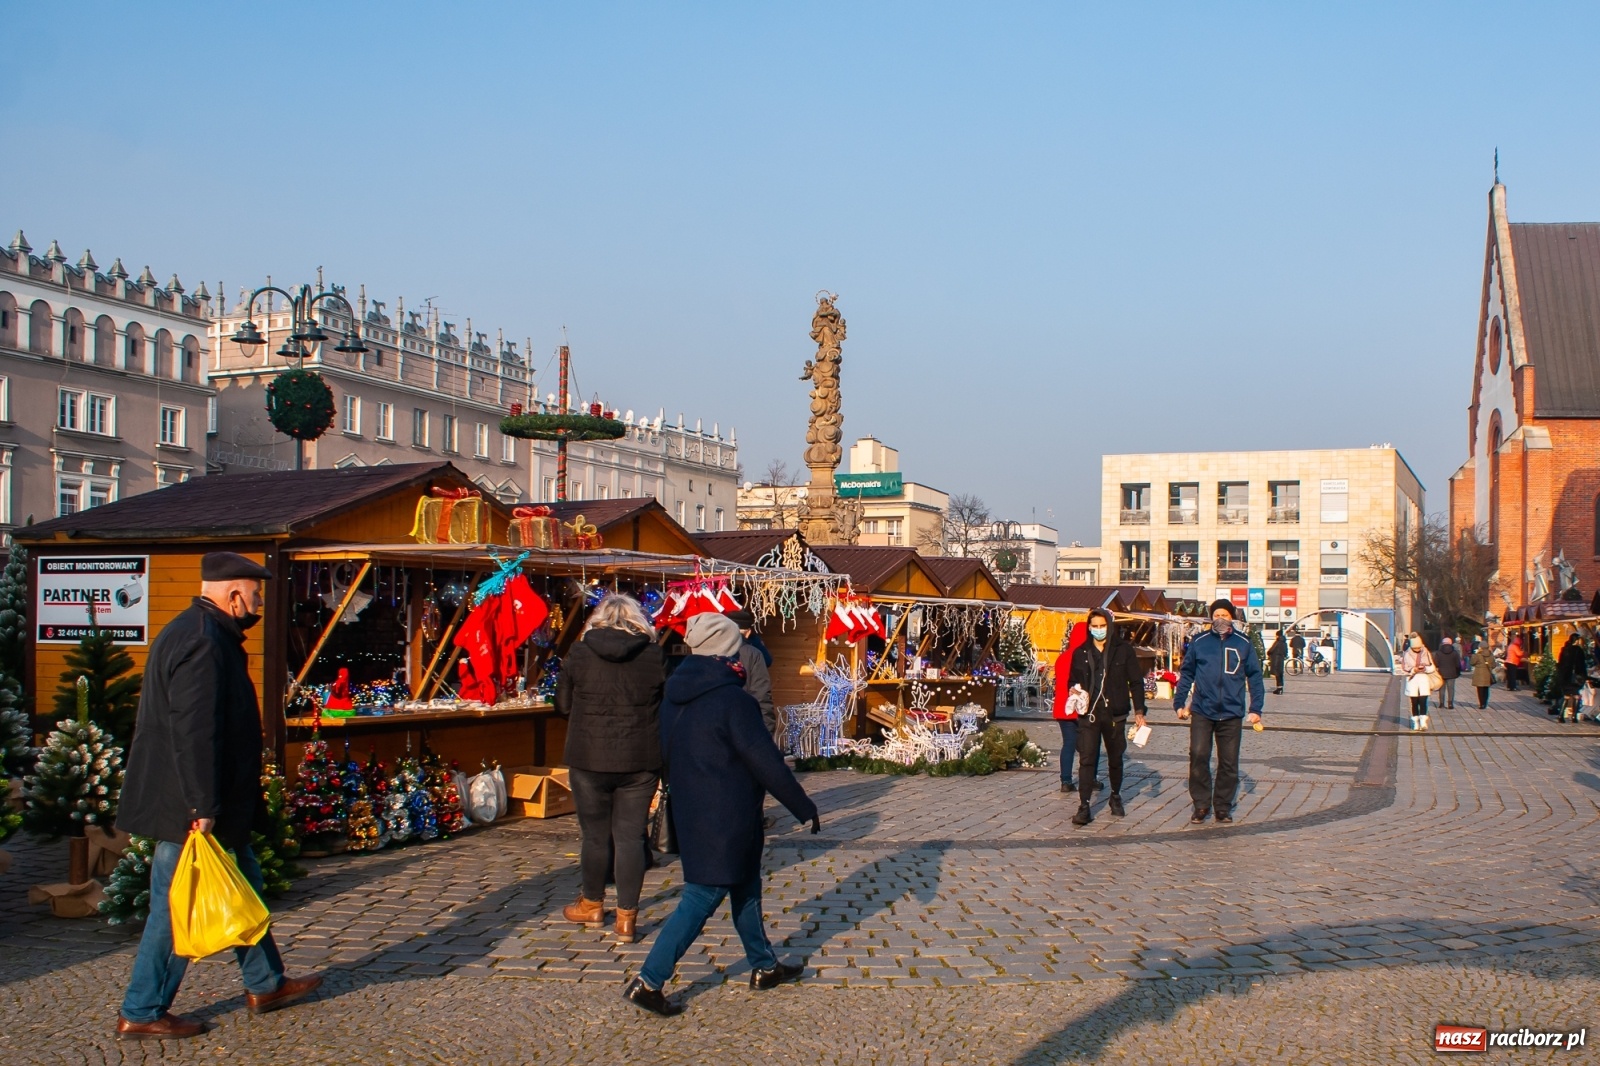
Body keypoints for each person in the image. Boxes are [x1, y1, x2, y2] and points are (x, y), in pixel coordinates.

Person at [114, 553, 322, 1040]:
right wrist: (201, 807)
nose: (258, 603)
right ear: (232, 595)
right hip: (192, 807)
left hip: (212, 803)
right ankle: (142, 1010)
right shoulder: (204, 642)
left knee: (244, 889)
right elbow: (194, 732)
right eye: (255, 594)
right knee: (177, 909)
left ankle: (266, 983)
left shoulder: (195, 630)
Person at [623, 613, 819, 1017]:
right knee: (703, 894)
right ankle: (648, 980)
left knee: (746, 888)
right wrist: (804, 806)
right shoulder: (734, 700)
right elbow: (766, 762)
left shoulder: (675, 693)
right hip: (725, 816)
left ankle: (764, 966)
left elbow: (666, 752)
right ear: (728, 651)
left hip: (695, 810)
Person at [555, 593, 667, 944]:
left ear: (598, 619)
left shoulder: (579, 652)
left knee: (594, 835)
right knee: (631, 836)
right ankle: (626, 919)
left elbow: (562, 705)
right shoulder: (654, 655)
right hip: (640, 758)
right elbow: (666, 705)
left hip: (589, 757)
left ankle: (591, 904)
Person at [1172, 600, 1263, 825]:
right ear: (1211, 618)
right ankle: (1201, 804)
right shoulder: (1199, 642)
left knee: (1229, 762)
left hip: (1231, 711)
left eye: (1225, 614)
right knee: (1199, 754)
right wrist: (1179, 702)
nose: (1220, 618)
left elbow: (1255, 675)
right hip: (1203, 709)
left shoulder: (1243, 643)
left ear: (1231, 617)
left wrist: (1256, 708)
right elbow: (1187, 673)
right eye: (1216, 614)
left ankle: (1223, 807)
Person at [1066, 608, 1147, 826]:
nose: (1099, 630)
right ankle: (1084, 805)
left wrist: (1140, 710)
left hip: (1115, 714)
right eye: (1095, 626)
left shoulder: (1123, 650)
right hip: (1089, 714)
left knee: (1115, 758)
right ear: (1089, 628)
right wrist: (1074, 692)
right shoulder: (1081, 652)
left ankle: (1115, 795)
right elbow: (1071, 681)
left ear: (1109, 626)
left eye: (1103, 626)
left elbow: (1136, 682)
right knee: (1086, 759)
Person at [727, 608, 779, 744]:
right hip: (744, 726)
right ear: (748, 632)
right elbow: (761, 697)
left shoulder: (708, 653)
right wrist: (767, 734)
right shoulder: (753, 653)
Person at [1400, 633, 1435, 730]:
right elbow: (1404, 668)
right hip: (1413, 680)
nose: (1417, 650)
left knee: (1423, 701)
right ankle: (1415, 722)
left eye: (1419, 648)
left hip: (1423, 679)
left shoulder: (1426, 652)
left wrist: (1425, 668)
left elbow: (1432, 667)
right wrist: (1413, 670)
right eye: (1415, 648)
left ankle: (1423, 721)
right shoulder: (1407, 654)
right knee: (1414, 702)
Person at [1552, 636, 1587, 721]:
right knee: (1576, 696)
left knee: (1566, 696)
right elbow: (1581, 665)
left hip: (1565, 677)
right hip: (1575, 677)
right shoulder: (1578, 650)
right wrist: (1584, 675)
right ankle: (1574, 717)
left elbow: (1560, 663)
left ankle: (1561, 716)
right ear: (1576, 640)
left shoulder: (1565, 649)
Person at [1434, 635, 1461, 710]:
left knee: (1441, 689)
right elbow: (1458, 664)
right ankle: (1450, 704)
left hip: (1441, 673)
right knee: (1451, 689)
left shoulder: (1438, 653)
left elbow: (1436, 663)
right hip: (1452, 673)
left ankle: (1441, 703)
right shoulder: (1455, 653)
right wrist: (1458, 672)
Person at [1470, 639, 1495, 709]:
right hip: (1487, 674)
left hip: (1479, 674)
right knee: (1486, 689)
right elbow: (1494, 665)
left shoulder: (1478, 655)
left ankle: (1481, 704)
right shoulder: (1491, 654)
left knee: (1480, 689)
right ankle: (1485, 702)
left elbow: (1472, 662)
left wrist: (1474, 655)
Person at [1267, 630, 1287, 695]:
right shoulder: (1284, 642)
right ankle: (1280, 688)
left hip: (1276, 660)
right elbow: (1285, 652)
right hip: (1281, 660)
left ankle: (1279, 689)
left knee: (1277, 674)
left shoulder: (1277, 642)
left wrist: (1268, 653)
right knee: (1280, 674)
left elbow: (1271, 650)